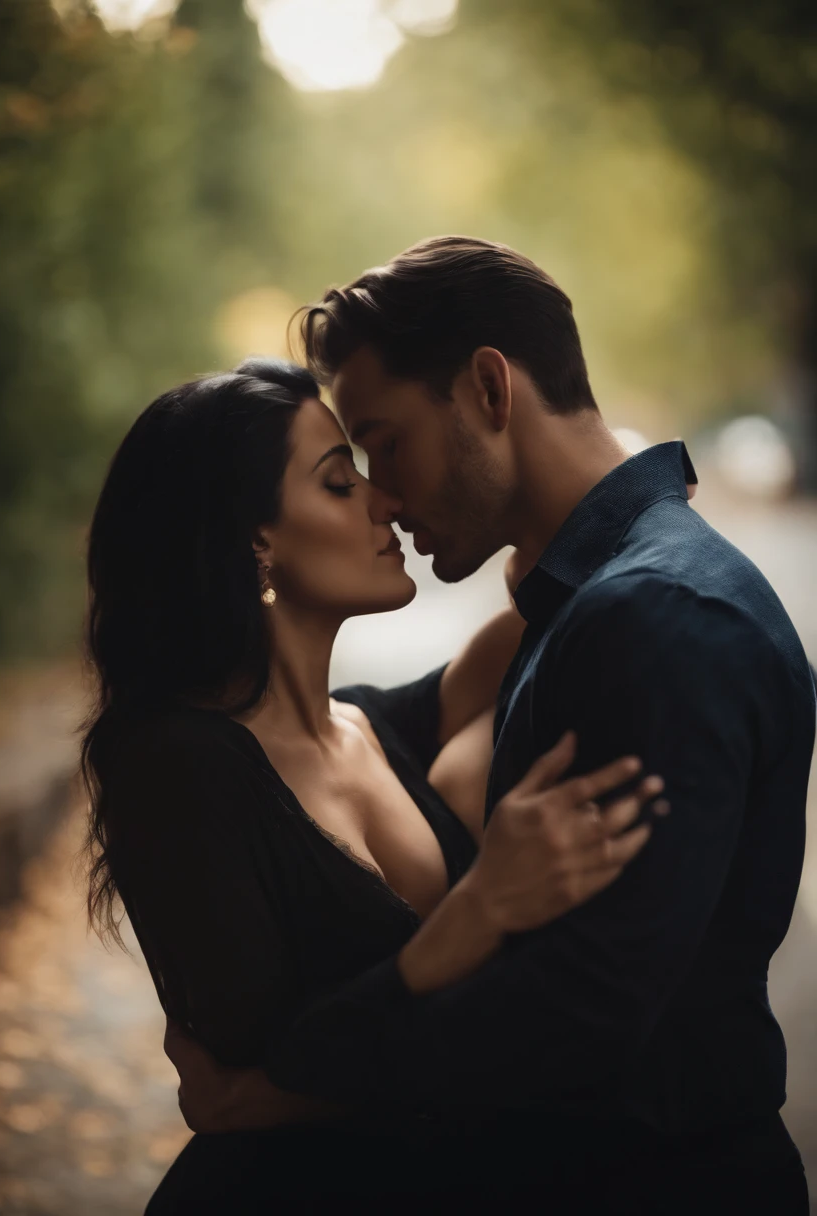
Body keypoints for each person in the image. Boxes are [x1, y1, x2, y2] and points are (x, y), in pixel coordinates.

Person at [171, 238, 815, 1214]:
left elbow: (578, 1010)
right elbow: (389, 726)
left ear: (486, 389)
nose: (382, 493)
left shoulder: (654, 616)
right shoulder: (595, 597)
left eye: (385, 442)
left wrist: (283, 1083)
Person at [80, 358, 662, 1212]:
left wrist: (534, 473)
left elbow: (563, 586)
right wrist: (481, 910)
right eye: (339, 482)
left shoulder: (363, 726)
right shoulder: (175, 766)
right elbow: (265, 1061)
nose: (383, 501)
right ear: (254, 538)